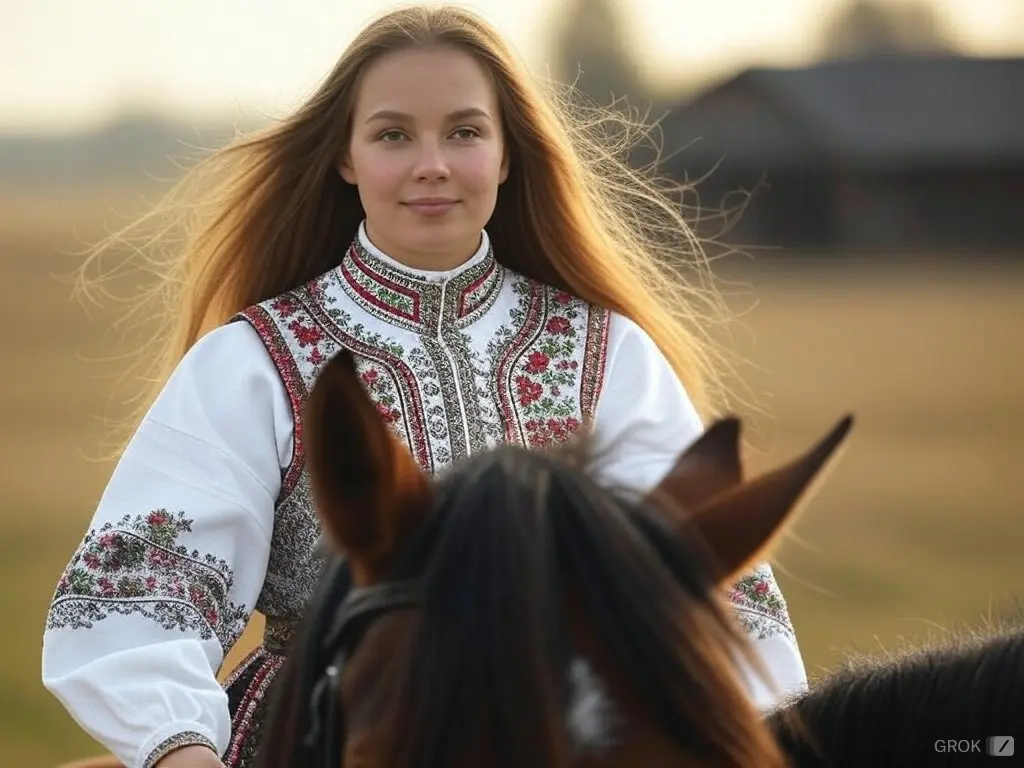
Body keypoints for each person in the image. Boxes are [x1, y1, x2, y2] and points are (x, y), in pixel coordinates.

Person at [41, 5, 808, 768]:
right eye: (393, 134)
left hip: (561, 732)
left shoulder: (610, 354)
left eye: (466, 132)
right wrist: (183, 754)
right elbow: (134, 606)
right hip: (328, 730)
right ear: (346, 157)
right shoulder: (251, 361)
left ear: (508, 156)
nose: (432, 163)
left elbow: (712, 599)